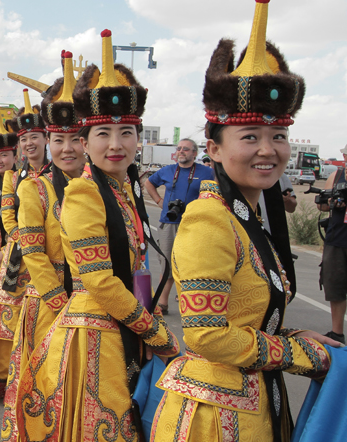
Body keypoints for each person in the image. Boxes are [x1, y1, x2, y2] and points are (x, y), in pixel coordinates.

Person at [151, 2, 338, 441]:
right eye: (249, 136)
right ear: (213, 150)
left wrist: (291, 330)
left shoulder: (246, 219)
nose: (268, 149)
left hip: (249, 406)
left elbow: (241, 315)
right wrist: (299, 353)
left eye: (279, 136)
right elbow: (206, 337)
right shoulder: (208, 220)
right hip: (212, 420)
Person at [17, 30, 179, 441]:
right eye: (102, 133)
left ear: (140, 139)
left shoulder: (124, 189)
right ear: (88, 142)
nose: (116, 144)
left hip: (124, 323)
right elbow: (100, 280)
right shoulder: (85, 193)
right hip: (97, 335)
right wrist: (155, 332)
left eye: (126, 131)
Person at [1, 51, 85, 441]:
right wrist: (60, 302)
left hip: (94, 307)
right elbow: (33, 252)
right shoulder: (32, 187)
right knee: (43, 386)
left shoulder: (108, 189)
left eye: (76, 139)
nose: (67, 148)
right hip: (49, 303)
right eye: (58, 139)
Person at [0, 93, 51, 404]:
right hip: (19, 255)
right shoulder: (14, 178)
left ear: (46, 139)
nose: (29, 143)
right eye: (25, 138)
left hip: (49, 258)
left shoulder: (57, 175)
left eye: (35, 137)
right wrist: (26, 239)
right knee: (5, 316)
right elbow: (6, 214)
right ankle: (3, 379)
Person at [144, 138, 215, 314]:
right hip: (169, 223)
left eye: (186, 149)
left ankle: (192, 304)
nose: (181, 151)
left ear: (194, 153)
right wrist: (159, 200)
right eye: (179, 149)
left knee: (194, 265)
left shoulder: (207, 172)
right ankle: (162, 303)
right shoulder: (168, 171)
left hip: (196, 224)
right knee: (167, 263)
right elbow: (148, 183)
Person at [318, 146, 347, 344]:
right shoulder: (337, 176)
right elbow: (322, 205)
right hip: (337, 238)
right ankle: (337, 332)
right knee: (334, 285)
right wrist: (329, 200)